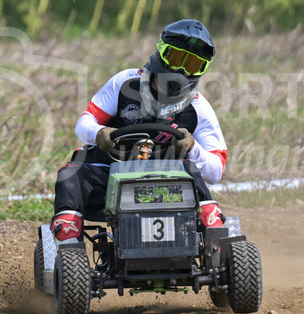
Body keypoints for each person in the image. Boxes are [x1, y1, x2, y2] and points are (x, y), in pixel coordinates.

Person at [50, 19, 228, 243]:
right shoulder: (125, 83)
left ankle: (216, 241)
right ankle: (68, 247)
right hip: (110, 178)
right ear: (161, 52)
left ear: (202, 70)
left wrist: (193, 148)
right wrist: (99, 133)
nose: (181, 70)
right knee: (70, 173)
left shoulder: (200, 109)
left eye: (192, 65)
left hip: (169, 185)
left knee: (189, 167)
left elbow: (215, 170)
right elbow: (84, 122)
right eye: (175, 59)